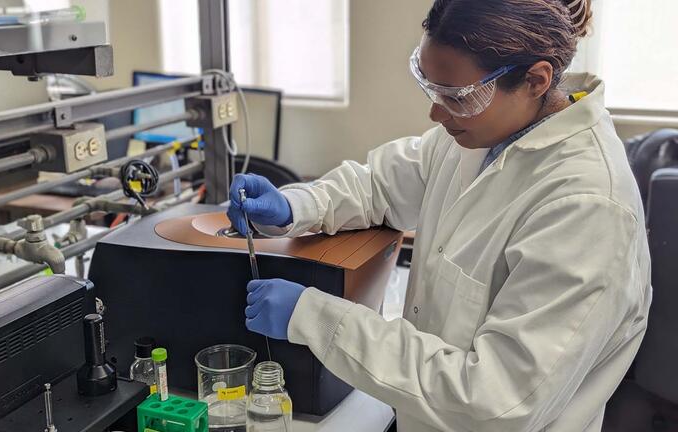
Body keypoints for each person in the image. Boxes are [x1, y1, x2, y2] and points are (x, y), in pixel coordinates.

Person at [227, 0, 652, 430]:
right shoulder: (482, 133)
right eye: (430, 87)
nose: (435, 113)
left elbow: (494, 402)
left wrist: (317, 320)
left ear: (536, 80)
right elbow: (380, 184)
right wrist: (294, 205)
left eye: (456, 96)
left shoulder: (588, 208)